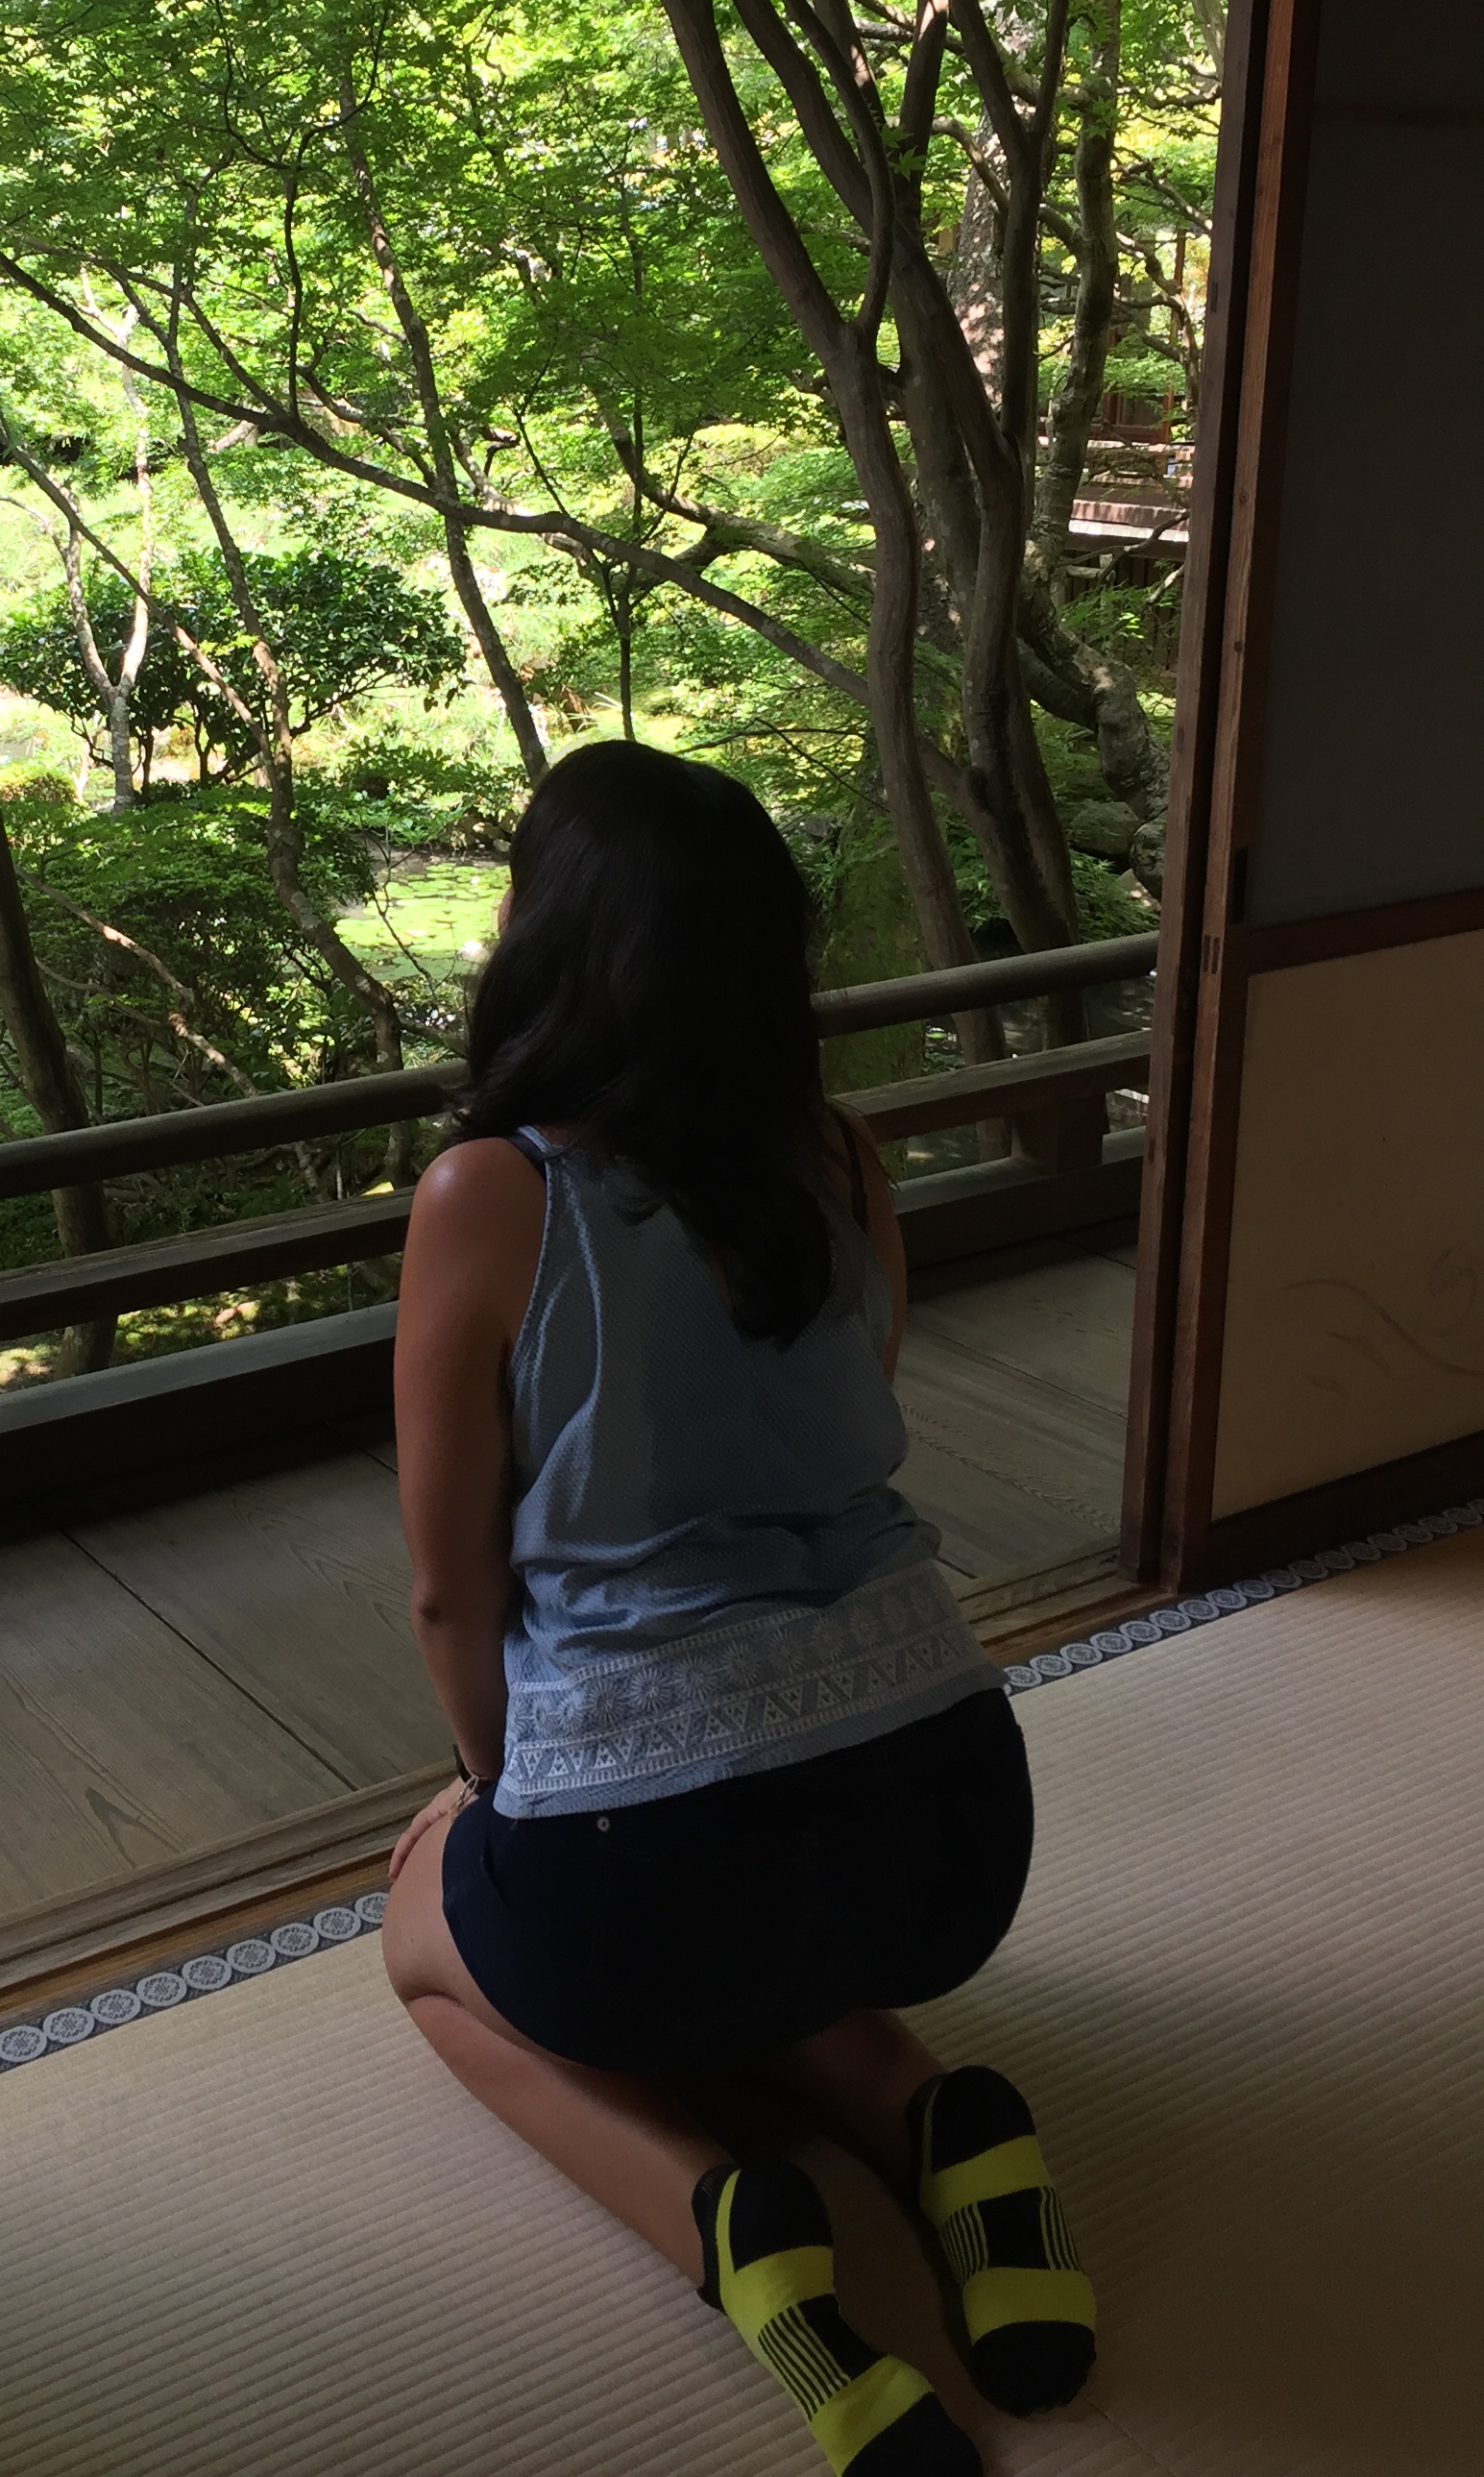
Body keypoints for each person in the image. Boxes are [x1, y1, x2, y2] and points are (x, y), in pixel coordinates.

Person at [380, 744, 1093, 2477]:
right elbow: (851, 1425)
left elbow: (450, 1590)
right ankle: (935, 2115)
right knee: (762, 1887)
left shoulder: (493, 1193)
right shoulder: (837, 1157)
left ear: (547, 938)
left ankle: (722, 2214)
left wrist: (490, 1787)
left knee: (425, 1936)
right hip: (953, 1819)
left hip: (658, 1859)